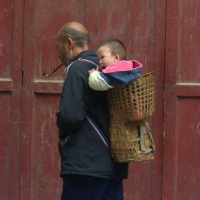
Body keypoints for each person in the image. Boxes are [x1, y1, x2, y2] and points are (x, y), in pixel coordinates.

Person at [55, 22, 128, 200]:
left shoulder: (77, 68)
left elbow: (71, 116)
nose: (58, 54)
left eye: (58, 47)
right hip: (114, 163)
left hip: (85, 165)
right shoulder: (108, 69)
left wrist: (62, 134)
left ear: (69, 43)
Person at [89, 38, 143, 121]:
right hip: (135, 108)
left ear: (116, 57)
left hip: (126, 112)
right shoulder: (126, 68)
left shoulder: (115, 70)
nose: (99, 62)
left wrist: (93, 74)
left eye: (102, 57)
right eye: (98, 59)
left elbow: (98, 83)